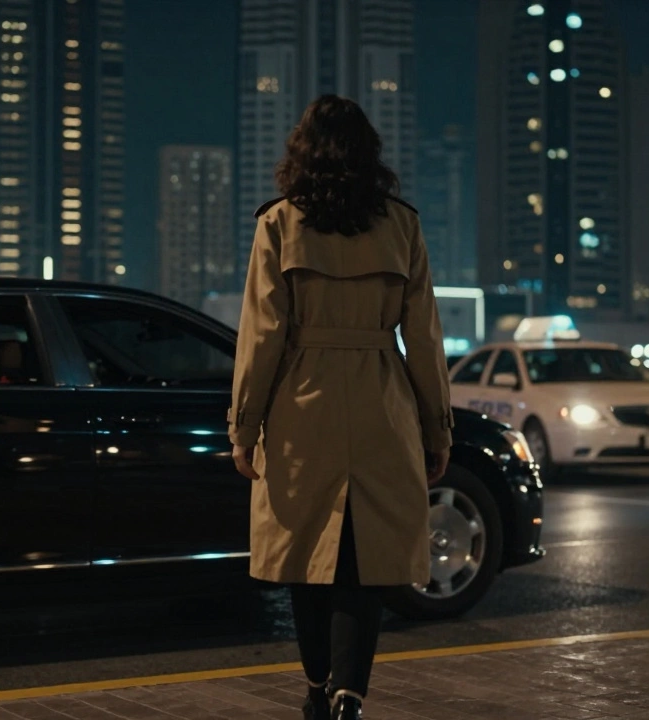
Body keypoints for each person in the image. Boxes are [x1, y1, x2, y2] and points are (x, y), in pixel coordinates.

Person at [228, 95, 453, 720]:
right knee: (365, 561)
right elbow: (424, 338)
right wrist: (437, 428)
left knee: (306, 554)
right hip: (383, 400)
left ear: (301, 153)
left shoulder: (278, 223)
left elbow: (261, 336)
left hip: (303, 405)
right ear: (369, 155)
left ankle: (316, 686)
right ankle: (349, 696)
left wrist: (244, 426)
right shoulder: (402, 225)